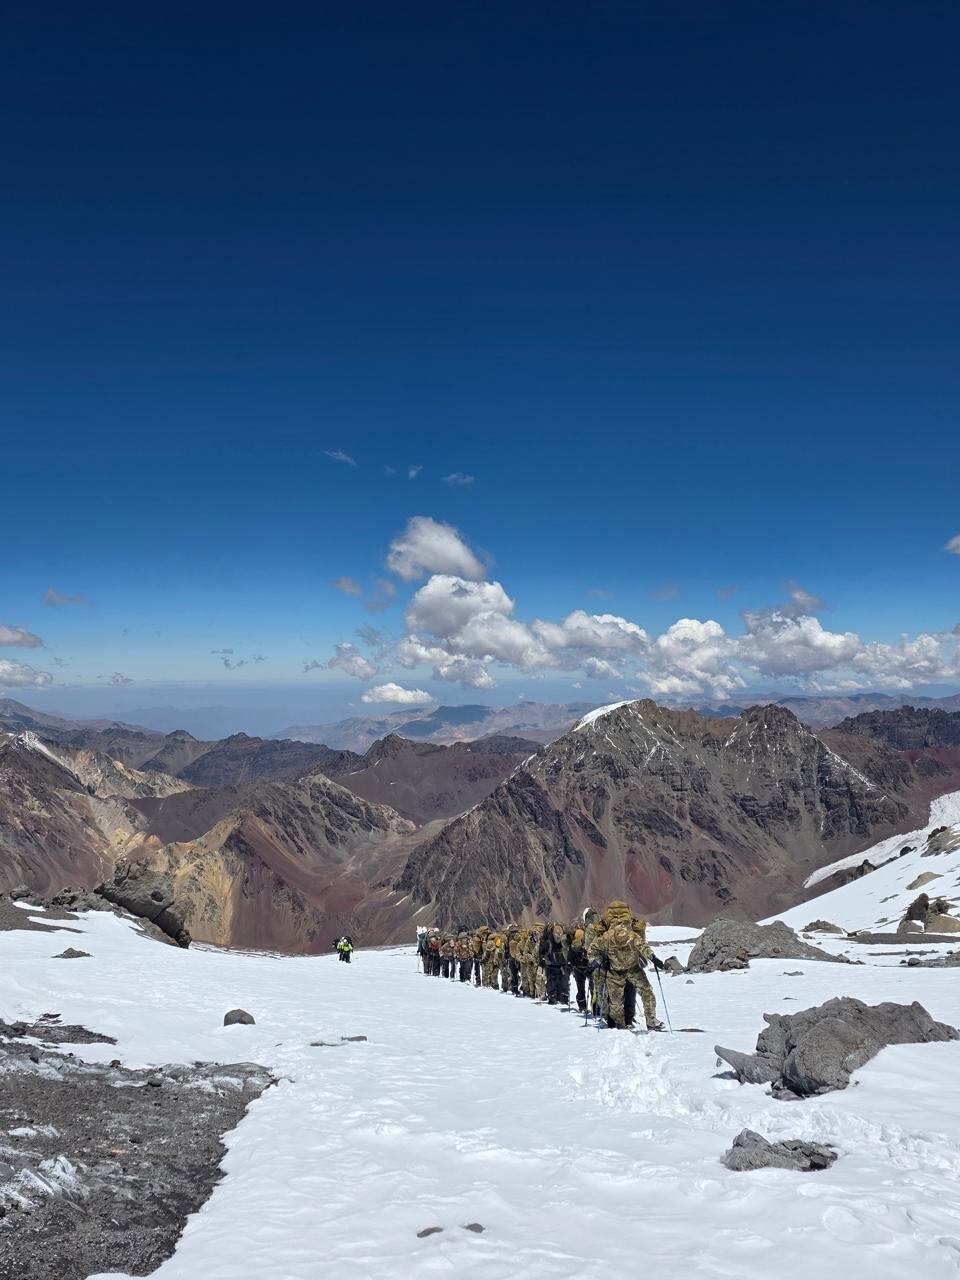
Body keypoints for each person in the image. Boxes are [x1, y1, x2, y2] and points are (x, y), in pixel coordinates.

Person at [587, 900, 664, 1030]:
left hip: (631, 969)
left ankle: (650, 1020)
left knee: (646, 991)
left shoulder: (632, 935)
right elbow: (592, 951)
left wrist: (653, 958)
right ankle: (620, 1024)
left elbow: (643, 947)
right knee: (616, 1003)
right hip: (615, 970)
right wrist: (598, 962)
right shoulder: (607, 937)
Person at [538, 921, 570, 1005]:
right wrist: (541, 960)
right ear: (553, 934)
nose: (558, 937)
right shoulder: (548, 942)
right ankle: (552, 997)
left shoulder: (564, 941)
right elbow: (541, 951)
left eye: (560, 935)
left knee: (563, 983)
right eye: (556, 934)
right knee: (551, 983)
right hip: (551, 966)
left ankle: (562, 997)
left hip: (561, 966)